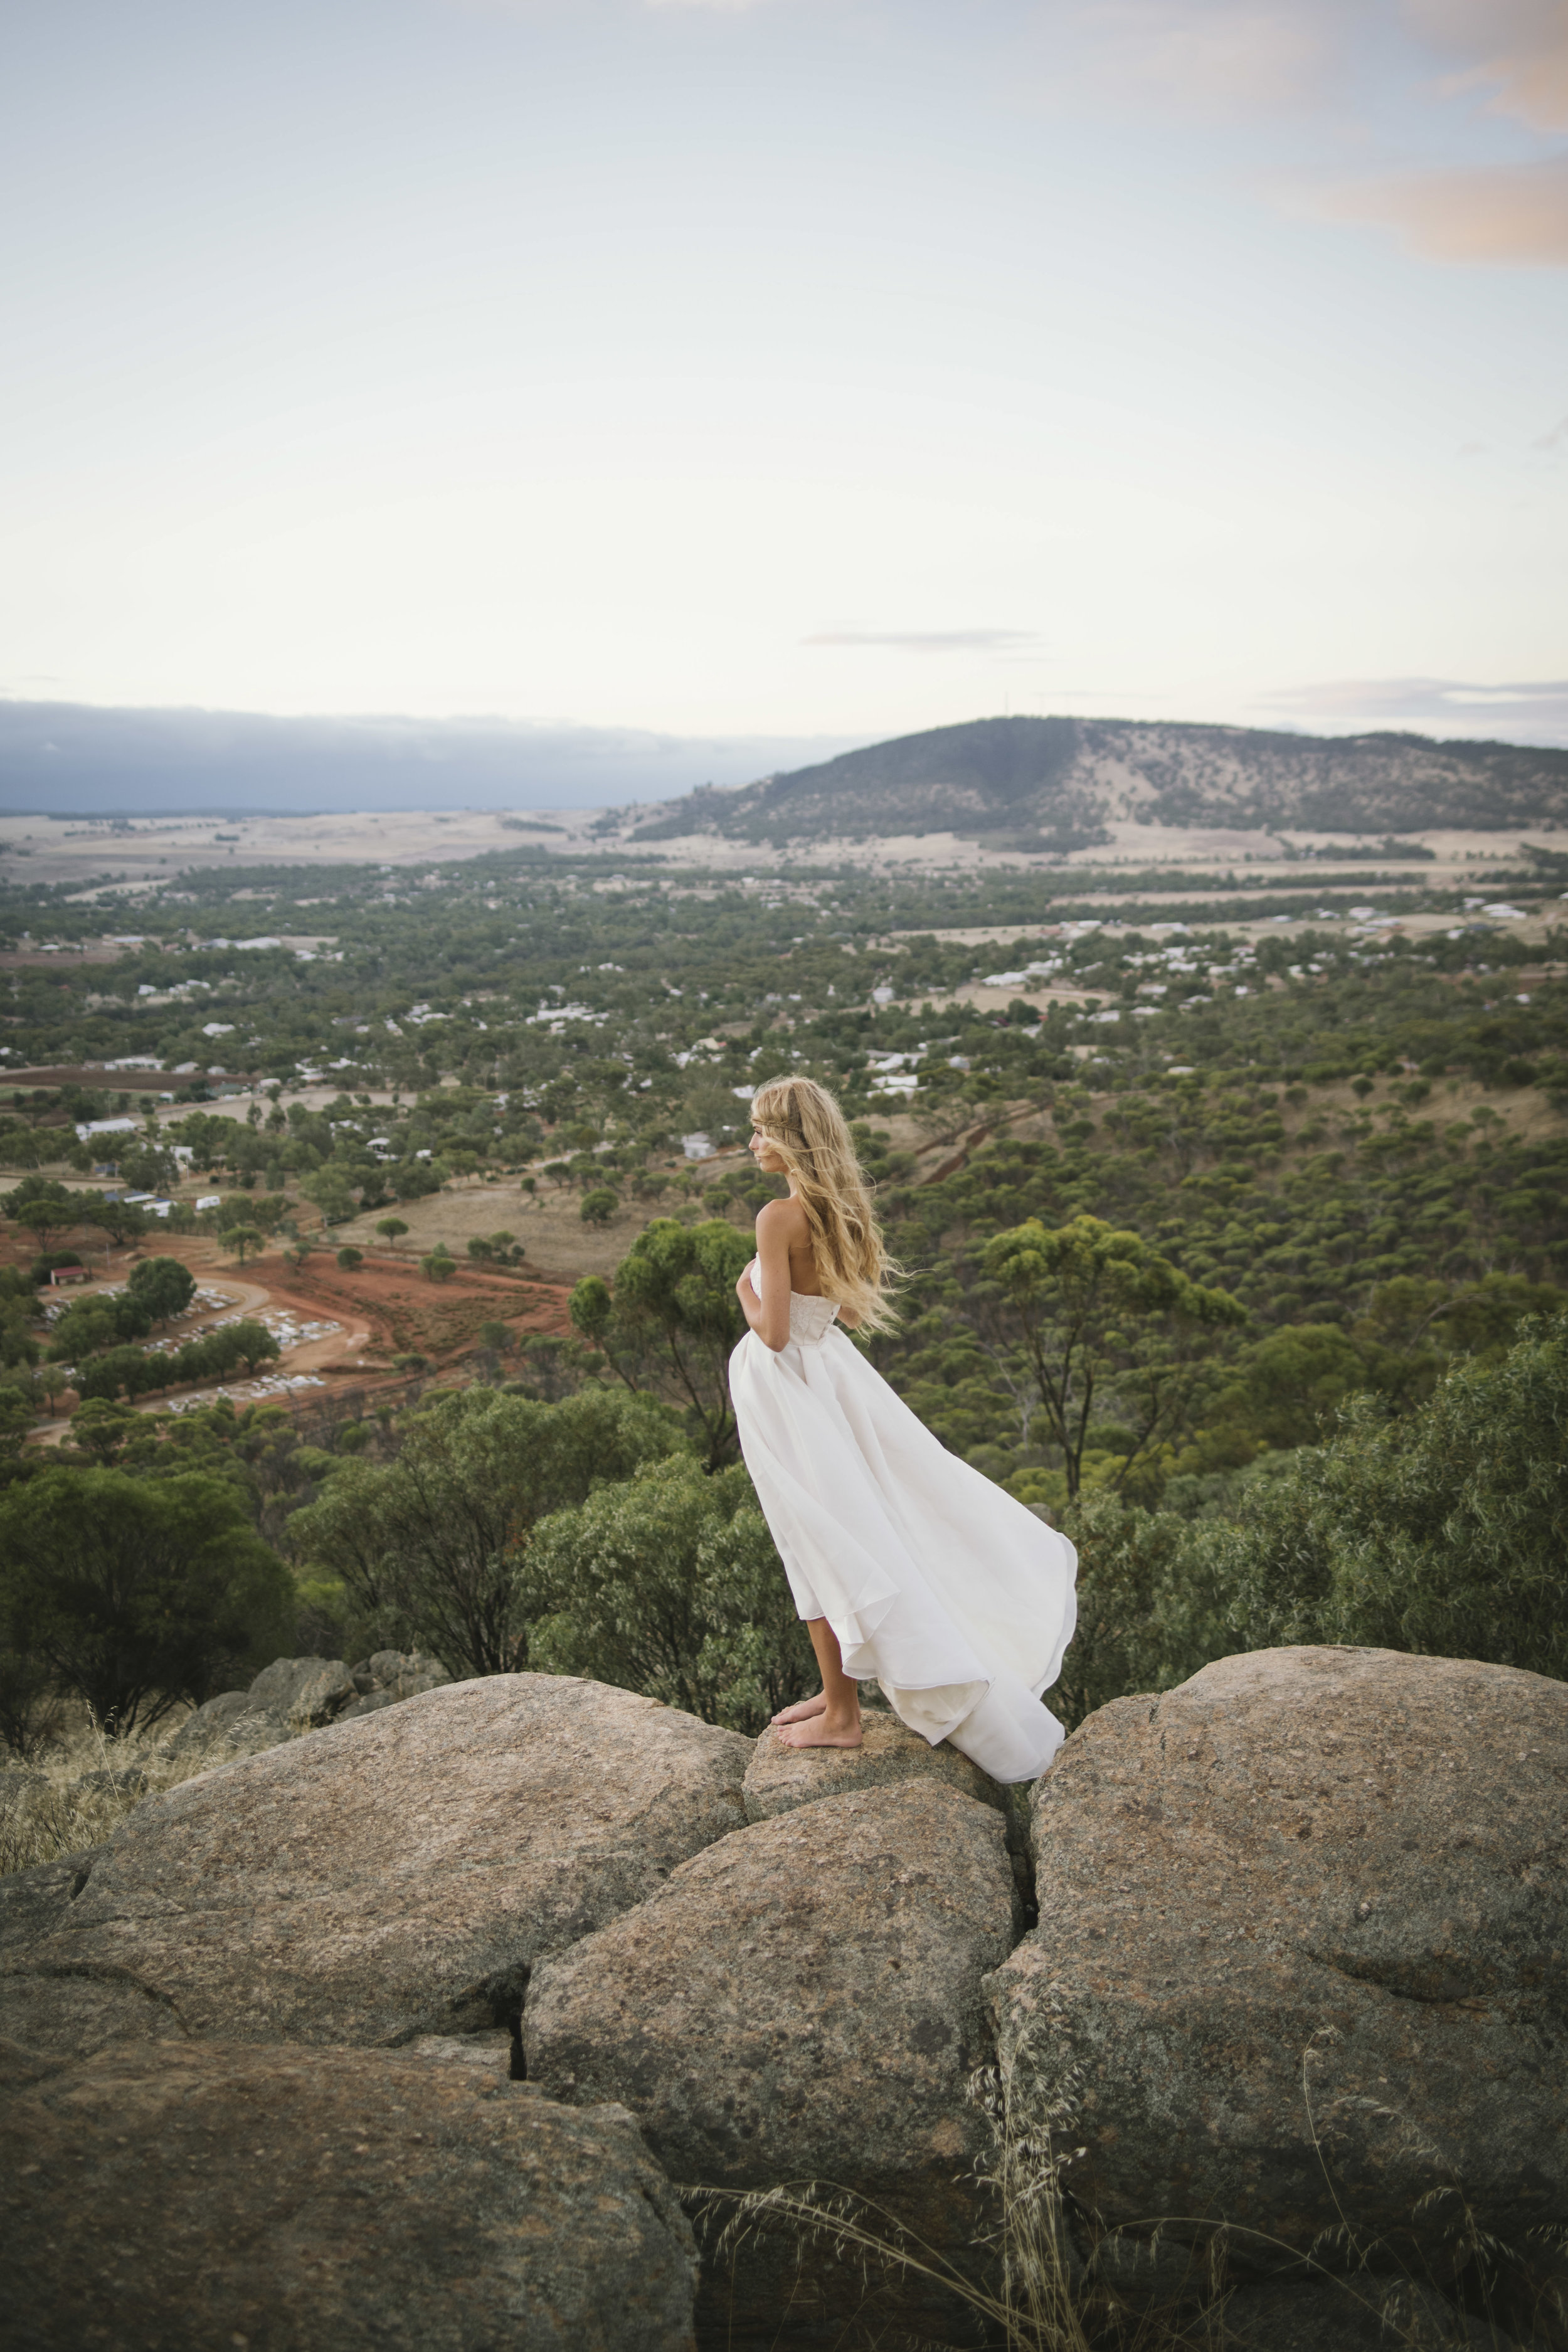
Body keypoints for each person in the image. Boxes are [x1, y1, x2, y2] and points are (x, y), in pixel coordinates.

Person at [730, 1075, 1078, 1784]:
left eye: (762, 1129)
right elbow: (846, 1315)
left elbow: (770, 1335)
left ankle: (842, 1713)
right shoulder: (841, 1213)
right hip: (832, 1376)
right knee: (847, 1533)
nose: (752, 1142)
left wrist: (746, 1293)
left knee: (814, 1541)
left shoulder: (778, 1217)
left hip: (788, 1387)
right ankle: (836, 1699)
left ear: (792, 1139)